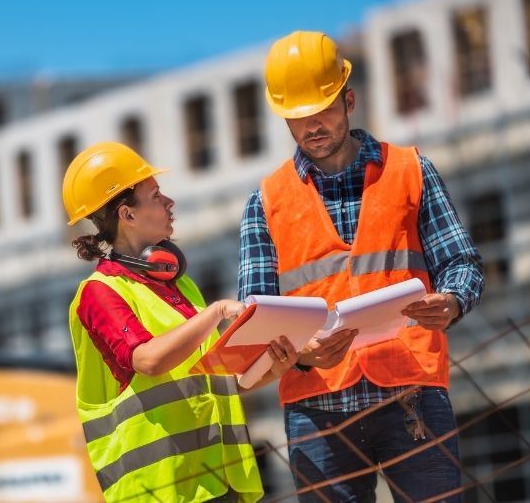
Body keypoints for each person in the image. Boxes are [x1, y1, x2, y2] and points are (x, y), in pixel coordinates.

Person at [238, 30, 485, 502]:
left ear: (349, 100)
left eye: (323, 110)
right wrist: (302, 352)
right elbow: (256, 323)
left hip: (411, 392)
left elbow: (460, 262)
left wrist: (452, 301)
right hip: (317, 409)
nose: (312, 126)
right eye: (298, 117)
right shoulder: (264, 203)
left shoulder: (411, 170)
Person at [63, 141, 299, 503]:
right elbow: (148, 360)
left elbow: (213, 384)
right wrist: (215, 312)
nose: (170, 202)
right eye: (156, 196)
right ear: (127, 215)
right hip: (161, 490)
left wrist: (272, 368)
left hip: (219, 481)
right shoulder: (99, 293)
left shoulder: (179, 285)